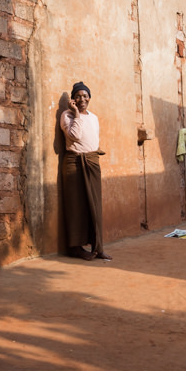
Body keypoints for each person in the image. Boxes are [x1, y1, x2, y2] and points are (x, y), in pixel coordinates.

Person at [60, 81, 111, 261]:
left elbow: (93, 137)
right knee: (76, 206)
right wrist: (76, 114)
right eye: (78, 96)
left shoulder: (94, 117)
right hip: (74, 162)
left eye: (85, 95)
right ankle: (75, 248)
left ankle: (98, 247)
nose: (82, 99)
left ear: (89, 98)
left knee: (95, 205)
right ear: (73, 99)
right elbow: (74, 135)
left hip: (92, 161)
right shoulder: (67, 115)